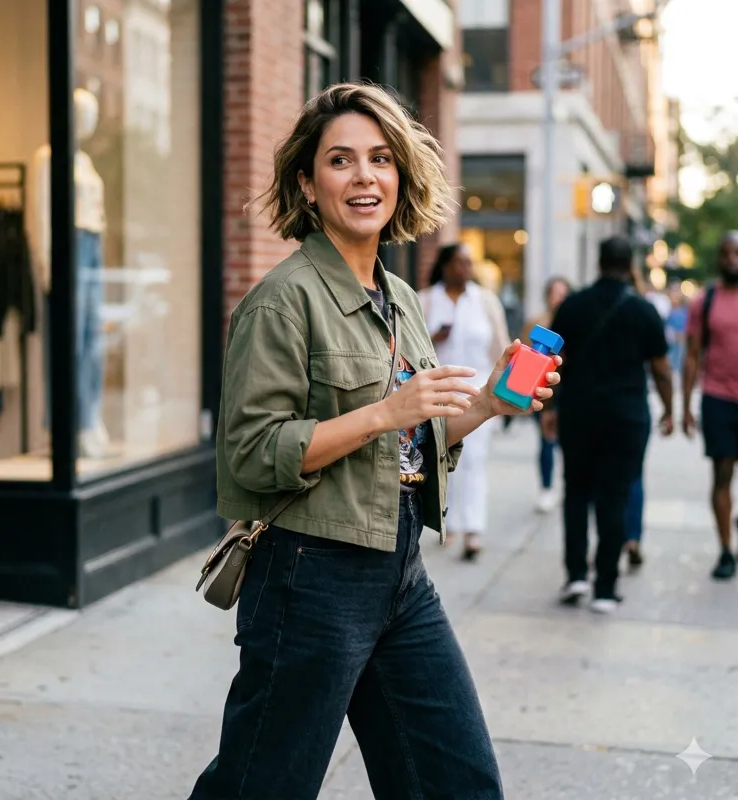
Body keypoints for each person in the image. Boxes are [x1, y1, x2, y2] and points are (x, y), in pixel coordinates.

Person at [185, 83, 560, 800]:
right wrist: (385, 412)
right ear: (308, 183)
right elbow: (251, 454)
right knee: (262, 784)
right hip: (309, 576)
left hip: (399, 571)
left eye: (381, 159)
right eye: (341, 160)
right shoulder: (281, 301)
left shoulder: (403, 299)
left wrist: (484, 403)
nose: (364, 177)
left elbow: (412, 442)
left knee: (456, 781)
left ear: (401, 176)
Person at [542, 236, 673, 614]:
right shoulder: (644, 310)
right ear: (630, 265)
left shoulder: (572, 305)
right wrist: (668, 410)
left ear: (598, 262)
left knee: (577, 493)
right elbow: (662, 370)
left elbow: (554, 361)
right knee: (614, 495)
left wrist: (549, 409)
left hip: (580, 413)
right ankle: (604, 588)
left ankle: (575, 576)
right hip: (626, 417)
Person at [418, 244, 509, 559]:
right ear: (444, 265)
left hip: (479, 391)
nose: (464, 269)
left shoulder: (484, 301)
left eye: (469, 263)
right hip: (439, 390)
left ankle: (473, 529)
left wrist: (505, 393)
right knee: (441, 457)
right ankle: (448, 522)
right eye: (458, 263)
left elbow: (500, 347)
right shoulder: (426, 299)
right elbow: (407, 348)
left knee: (474, 460)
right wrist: (434, 338)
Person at [683, 232, 738, 580]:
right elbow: (691, 354)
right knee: (721, 476)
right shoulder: (705, 300)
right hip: (718, 398)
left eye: (737, 254)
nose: (732, 260)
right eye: (726, 254)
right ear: (718, 258)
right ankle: (725, 550)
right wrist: (685, 406)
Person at [521, 276, 572, 513]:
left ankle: (569, 485)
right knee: (546, 441)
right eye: (555, 293)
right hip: (541, 393)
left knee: (568, 443)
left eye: (563, 293)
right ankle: (546, 487)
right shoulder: (538, 324)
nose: (558, 298)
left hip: (567, 392)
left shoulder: (575, 322)